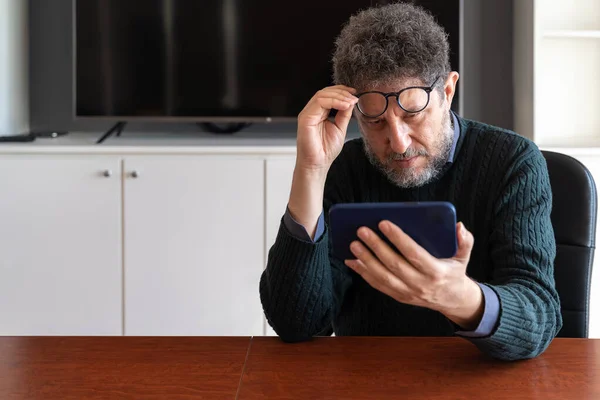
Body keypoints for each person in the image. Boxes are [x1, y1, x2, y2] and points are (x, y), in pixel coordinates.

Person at [259, 1, 561, 361]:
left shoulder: (513, 162)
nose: (398, 142)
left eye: (413, 113)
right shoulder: (343, 169)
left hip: (479, 378)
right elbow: (295, 324)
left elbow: (539, 315)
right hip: (366, 378)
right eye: (375, 121)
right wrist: (310, 170)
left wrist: (460, 297)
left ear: (447, 92)